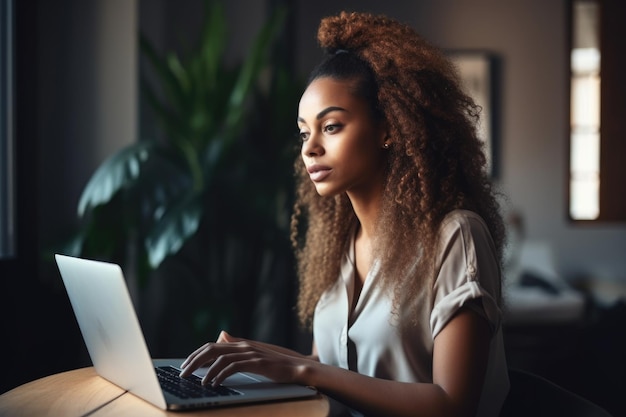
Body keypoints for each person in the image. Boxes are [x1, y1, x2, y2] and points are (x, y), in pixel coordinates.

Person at [180, 10, 509, 417]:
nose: (310, 147)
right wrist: (255, 355)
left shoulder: (455, 236)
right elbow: (327, 367)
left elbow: (452, 403)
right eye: (304, 132)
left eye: (331, 126)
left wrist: (302, 370)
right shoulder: (339, 242)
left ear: (389, 129)